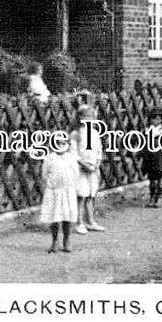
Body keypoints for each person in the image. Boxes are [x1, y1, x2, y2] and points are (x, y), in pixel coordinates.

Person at [40, 138, 79, 253]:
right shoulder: (49, 158)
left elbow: (76, 174)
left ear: (67, 144)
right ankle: (55, 241)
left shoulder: (71, 158)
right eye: (58, 143)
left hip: (68, 191)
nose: (60, 145)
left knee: (67, 216)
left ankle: (66, 240)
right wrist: (52, 185)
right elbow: (44, 174)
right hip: (54, 191)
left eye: (63, 143)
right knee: (54, 217)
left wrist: (71, 187)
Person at [70, 105, 105, 233]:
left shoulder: (94, 133)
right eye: (87, 117)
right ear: (80, 118)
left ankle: (91, 221)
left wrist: (97, 163)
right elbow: (73, 153)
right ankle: (80, 223)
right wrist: (84, 165)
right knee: (81, 196)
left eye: (92, 117)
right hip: (81, 170)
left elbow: (99, 150)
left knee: (91, 196)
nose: (90, 120)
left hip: (93, 169)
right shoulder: (75, 134)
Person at [141, 107, 162, 208]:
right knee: (151, 180)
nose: (154, 121)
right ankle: (151, 197)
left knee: (159, 180)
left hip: (160, 159)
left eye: (157, 119)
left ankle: (158, 198)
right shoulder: (146, 131)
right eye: (152, 119)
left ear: (161, 120)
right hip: (150, 159)